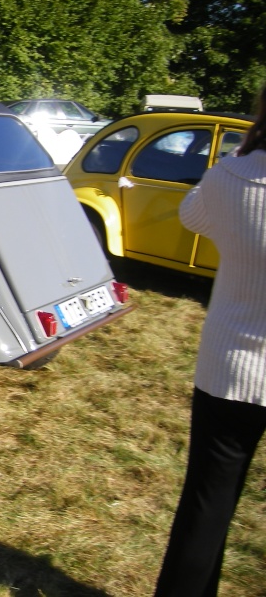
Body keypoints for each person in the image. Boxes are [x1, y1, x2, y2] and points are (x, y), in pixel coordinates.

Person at [154, 83, 266, 596]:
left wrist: (237, 160)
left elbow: (192, 215)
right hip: (232, 370)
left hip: (228, 370)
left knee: (207, 504)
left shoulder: (230, 177)